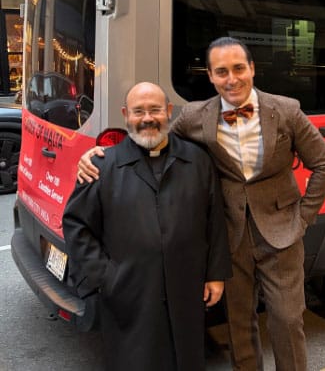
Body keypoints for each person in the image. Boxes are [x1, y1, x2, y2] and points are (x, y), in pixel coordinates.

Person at [78, 38, 325, 371]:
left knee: (287, 320)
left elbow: (324, 164)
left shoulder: (286, 110)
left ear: (252, 69)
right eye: (222, 71)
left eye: (239, 68)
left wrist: (302, 218)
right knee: (239, 325)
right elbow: (154, 138)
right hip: (229, 235)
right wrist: (97, 156)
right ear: (211, 76)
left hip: (282, 231)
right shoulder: (195, 116)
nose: (232, 79)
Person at [65, 82, 232, 371]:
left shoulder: (197, 160)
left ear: (168, 111)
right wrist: (106, 277)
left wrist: (215, 275)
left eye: (155, 110)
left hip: (186, 288)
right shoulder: (103, 166)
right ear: (125, 115)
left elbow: (214, 219)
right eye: (138, 111)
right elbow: (76, 225)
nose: (147, 118)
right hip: (129, 293)